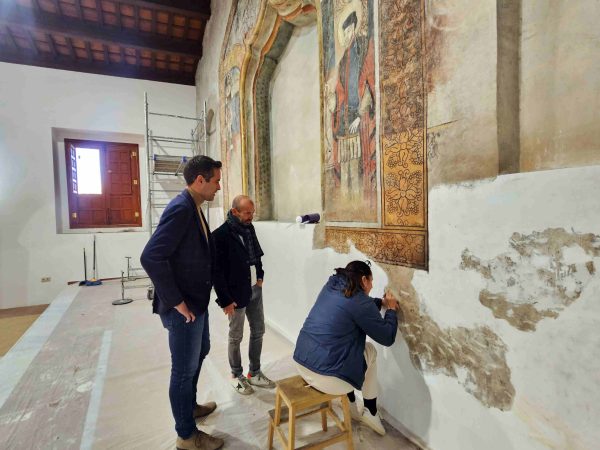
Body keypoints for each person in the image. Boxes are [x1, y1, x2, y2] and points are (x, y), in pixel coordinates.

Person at [140, 155, 224, 450]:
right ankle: (186, 435)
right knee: (183, 370)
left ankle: (189, 407)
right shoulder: (180, 208)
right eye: (215, 181)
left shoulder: (194, 207)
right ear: (200, 180)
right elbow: (151, 256)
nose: (218, 187)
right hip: (183, 308)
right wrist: (177, 302)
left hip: (196, 302)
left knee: (201, 351)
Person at [293, 260, 399, 436]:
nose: (372, 286)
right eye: (371, 282)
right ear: (364, 280)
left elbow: (352, 306)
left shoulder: (330, 286)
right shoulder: (360, 302)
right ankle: (371, 412)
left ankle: (350, 405)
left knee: (345, 349)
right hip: (328, 379)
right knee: (369, 350)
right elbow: (387, 338)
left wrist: (379, 302)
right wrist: (391, 310)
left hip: (302, 363)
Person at [213, 195, 275, 395]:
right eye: (247, 213)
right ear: (235, 212)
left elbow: (255, 255)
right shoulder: (220, 236)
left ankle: (254, 372)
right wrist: (225, 300)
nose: (251, 216)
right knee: (236, 336)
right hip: (234, 294)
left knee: (258, 330)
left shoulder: (249, 228)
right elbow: (216, 272)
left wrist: (260, 277)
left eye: (252, 212)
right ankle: (236, 374)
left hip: (254, 289)